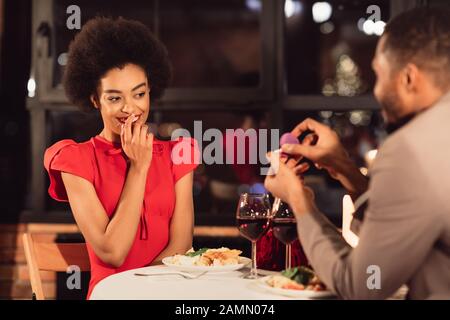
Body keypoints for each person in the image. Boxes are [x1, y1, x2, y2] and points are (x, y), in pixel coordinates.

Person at [264, 7, 450, 299]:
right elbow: (402, 227)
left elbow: (364, 285)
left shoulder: (409, 149)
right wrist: (346, 170)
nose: (376, 91)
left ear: (409, 78)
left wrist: (299, 201)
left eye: (378, 75)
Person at [43, 17, 198, 299]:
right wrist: (139, 167)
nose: (131, 108)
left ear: (151, 90)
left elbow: (181, 245)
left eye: (139, 93)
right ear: (94, 99)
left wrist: (145, 292)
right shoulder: (75, 161)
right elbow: (112, 252)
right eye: (115, 98)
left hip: (167, 294)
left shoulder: (179, 154)